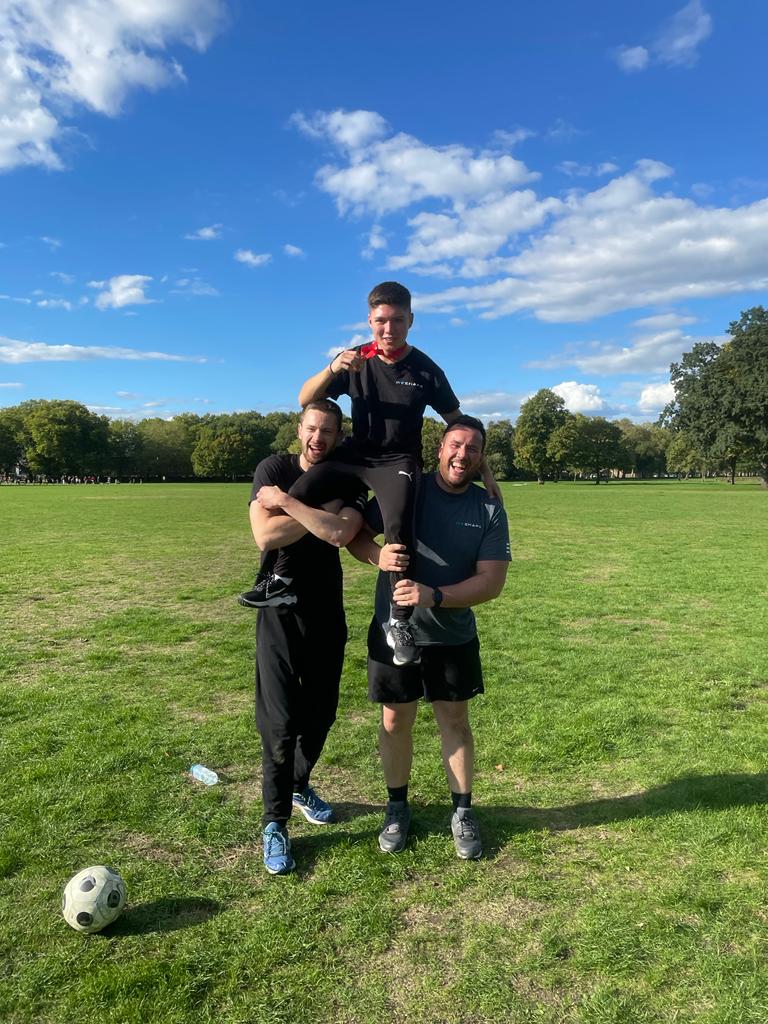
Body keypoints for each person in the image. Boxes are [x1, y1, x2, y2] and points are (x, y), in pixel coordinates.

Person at [240, 281, 500, 670]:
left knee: (399, 526)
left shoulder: (426, 370)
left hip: (398, 461)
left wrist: (486, 470)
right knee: (300, 491)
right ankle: (277, 579)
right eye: (381, 321)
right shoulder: (355, 359)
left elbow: (458, 423)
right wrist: (333, 367)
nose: (389, 329)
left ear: (411, 320)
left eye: (397, 320)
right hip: (355, 454)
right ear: (369, 321)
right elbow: (304, 398)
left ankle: (400, 621)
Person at [348, 416, 510, 860]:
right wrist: (377, 555)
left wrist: (434, 596)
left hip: (452, 635)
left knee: (454, 722)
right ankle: (396, 807)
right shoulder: (406, 490)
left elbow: (491, 583)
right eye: (455, 445)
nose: (462, 454)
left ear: (481, 458)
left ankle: (462, 811)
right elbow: (354, 535)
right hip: (393, 630)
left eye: (472, 449)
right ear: (439, 449)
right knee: (394, 721)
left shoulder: (489, 508)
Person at [247, 399, 366, 875]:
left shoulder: (347, 479)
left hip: (325, 611)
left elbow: (339, 534)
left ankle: (298, 784)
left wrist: (291, 504)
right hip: (278, 611)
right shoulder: (273, 469)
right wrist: (320, 514)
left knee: (321, 716)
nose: (318, 438)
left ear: (338, 436)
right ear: (299, 430)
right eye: (312, 429)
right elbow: (265, 536)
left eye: (328, 431)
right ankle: (275, 824)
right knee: (279, 725)